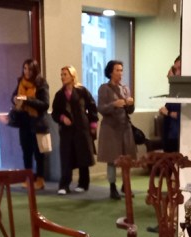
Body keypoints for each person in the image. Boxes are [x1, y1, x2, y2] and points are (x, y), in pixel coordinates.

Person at [50, 65, 98, 195]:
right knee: (66, 157)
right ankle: (64, 185)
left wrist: (93, 124)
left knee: (83, 156)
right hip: (66, 130)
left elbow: (92, 107)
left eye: (65, 74)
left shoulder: (82, 91)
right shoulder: (59, 95)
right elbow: (55, 113)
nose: (62, 77)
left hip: (82, 128)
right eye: (61, 75)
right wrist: (62, 118)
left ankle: (83, 183)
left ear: (72, 76)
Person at [97, 59, 136, 200]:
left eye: (121, 70)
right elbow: (100, 108)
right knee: (112, 159)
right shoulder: (104, 88)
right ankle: (112, 187)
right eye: (117, 70)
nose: (120, 73)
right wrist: (114, 104)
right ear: (110, 72)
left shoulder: (125, 88)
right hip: (110, 129)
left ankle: (126, 185)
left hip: (125, 127)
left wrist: (130, 104)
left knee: (127, 159)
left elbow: (130, 111)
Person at [11, 59, 49, 190]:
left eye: (29, 69)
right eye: (25, 68)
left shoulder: (41, 83)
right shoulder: (20, 82)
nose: (26, 72)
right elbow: (13, 96)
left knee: (39, 153)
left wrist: (27, 99)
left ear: (35, 70)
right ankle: (28, 178)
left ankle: (40, 179)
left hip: (37, 122)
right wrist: (15, 99)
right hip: (24, 122)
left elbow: (45, 104)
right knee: (26, 151)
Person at [159, 56, 182, 153]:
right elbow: (166, 109)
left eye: (179, 69)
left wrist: (168, 113)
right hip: (169, 135)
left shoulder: (186, 92)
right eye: (175, 69)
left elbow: (184, 115)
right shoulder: (174, 92)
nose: (177, 73)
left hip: (179, 136)